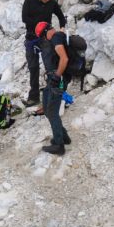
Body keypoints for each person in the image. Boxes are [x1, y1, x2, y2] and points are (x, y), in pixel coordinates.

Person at [22, 0, 67, 108]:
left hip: (45, 38)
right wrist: (41, 24)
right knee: (33, 68)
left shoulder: (52, 3)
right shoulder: (29, 1)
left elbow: (60, 16)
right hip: (31, 37)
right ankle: (34, 97)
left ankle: (52, 94)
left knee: (50, 66)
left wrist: (62, 27)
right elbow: (25, 18)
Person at [35, 21, 72, 155]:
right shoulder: (54, 38)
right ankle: (64, 137)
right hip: (52, 78)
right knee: (46, 107)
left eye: (43, 36)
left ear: (47, 32)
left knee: (52, 111)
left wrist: (57, 77)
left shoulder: (56, 37)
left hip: (58, 78)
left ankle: (59, 145)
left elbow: (64, 59)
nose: (43, 40)